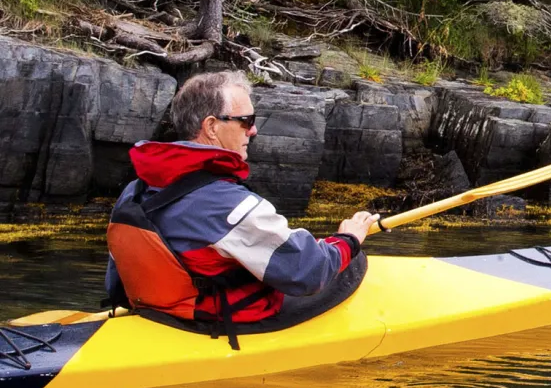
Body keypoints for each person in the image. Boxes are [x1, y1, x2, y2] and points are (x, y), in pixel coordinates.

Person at [105, 71, 379, 348]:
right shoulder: (227, 203)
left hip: (158, 311)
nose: (253, 130)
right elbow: (309, 272)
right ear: (211, 127)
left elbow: (114, 281)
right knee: (351, 263)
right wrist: (348, 240)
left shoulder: (136, 189)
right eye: (245, 121)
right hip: (217, 321)